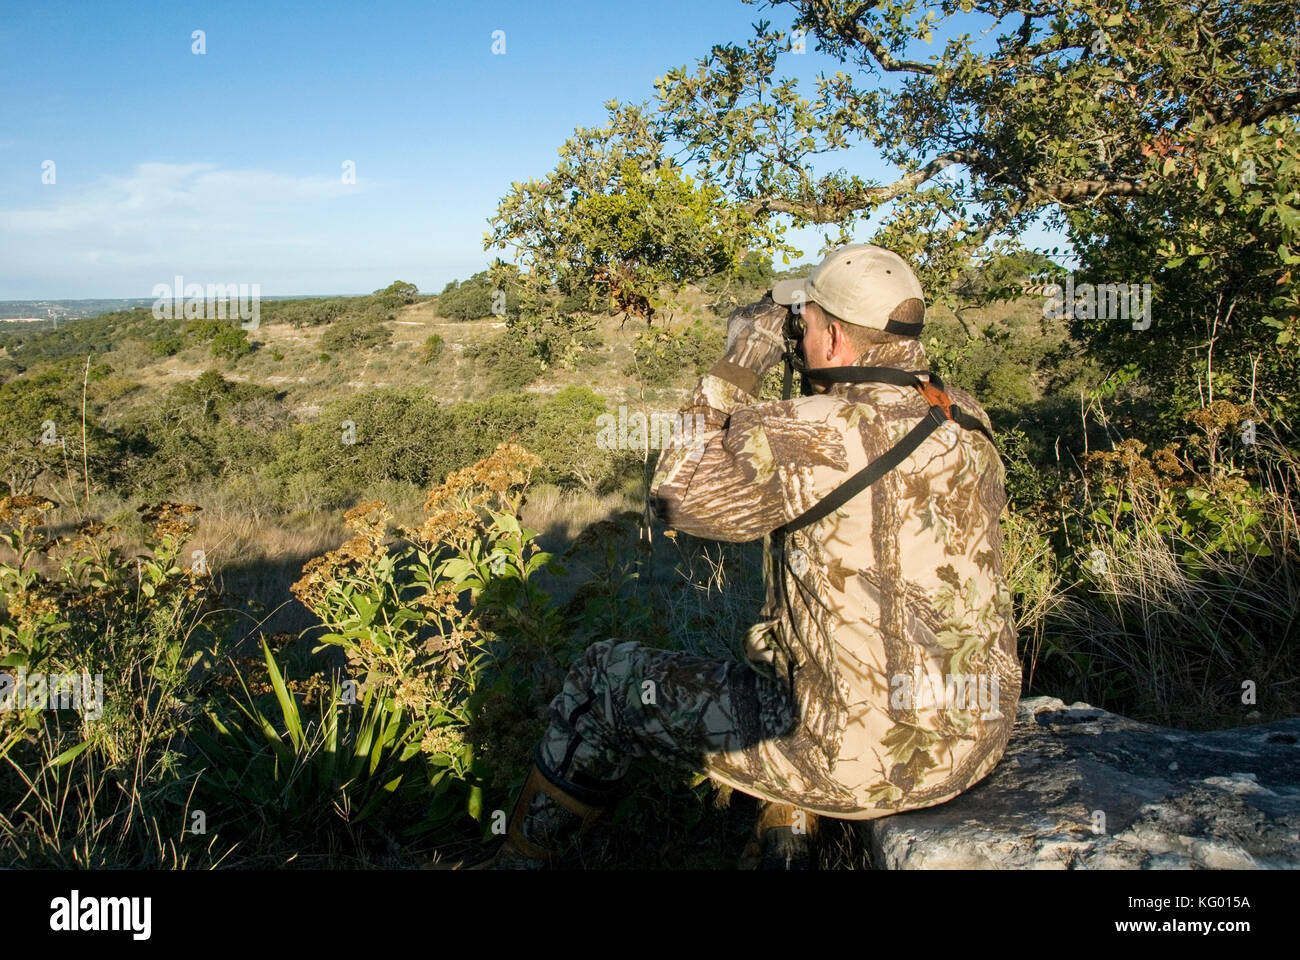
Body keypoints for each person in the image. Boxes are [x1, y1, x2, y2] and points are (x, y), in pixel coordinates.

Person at [476, 244, 1021, 869]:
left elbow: (675, 499)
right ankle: (784, 843)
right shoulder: (965, 416)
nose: (799, 336)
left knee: (604, 681)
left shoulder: (807, 432)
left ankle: (515, 861)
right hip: (977, 736)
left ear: (837, 338)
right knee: (771, 649)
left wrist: (742, 359)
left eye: (806, 324)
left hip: (865, 762)